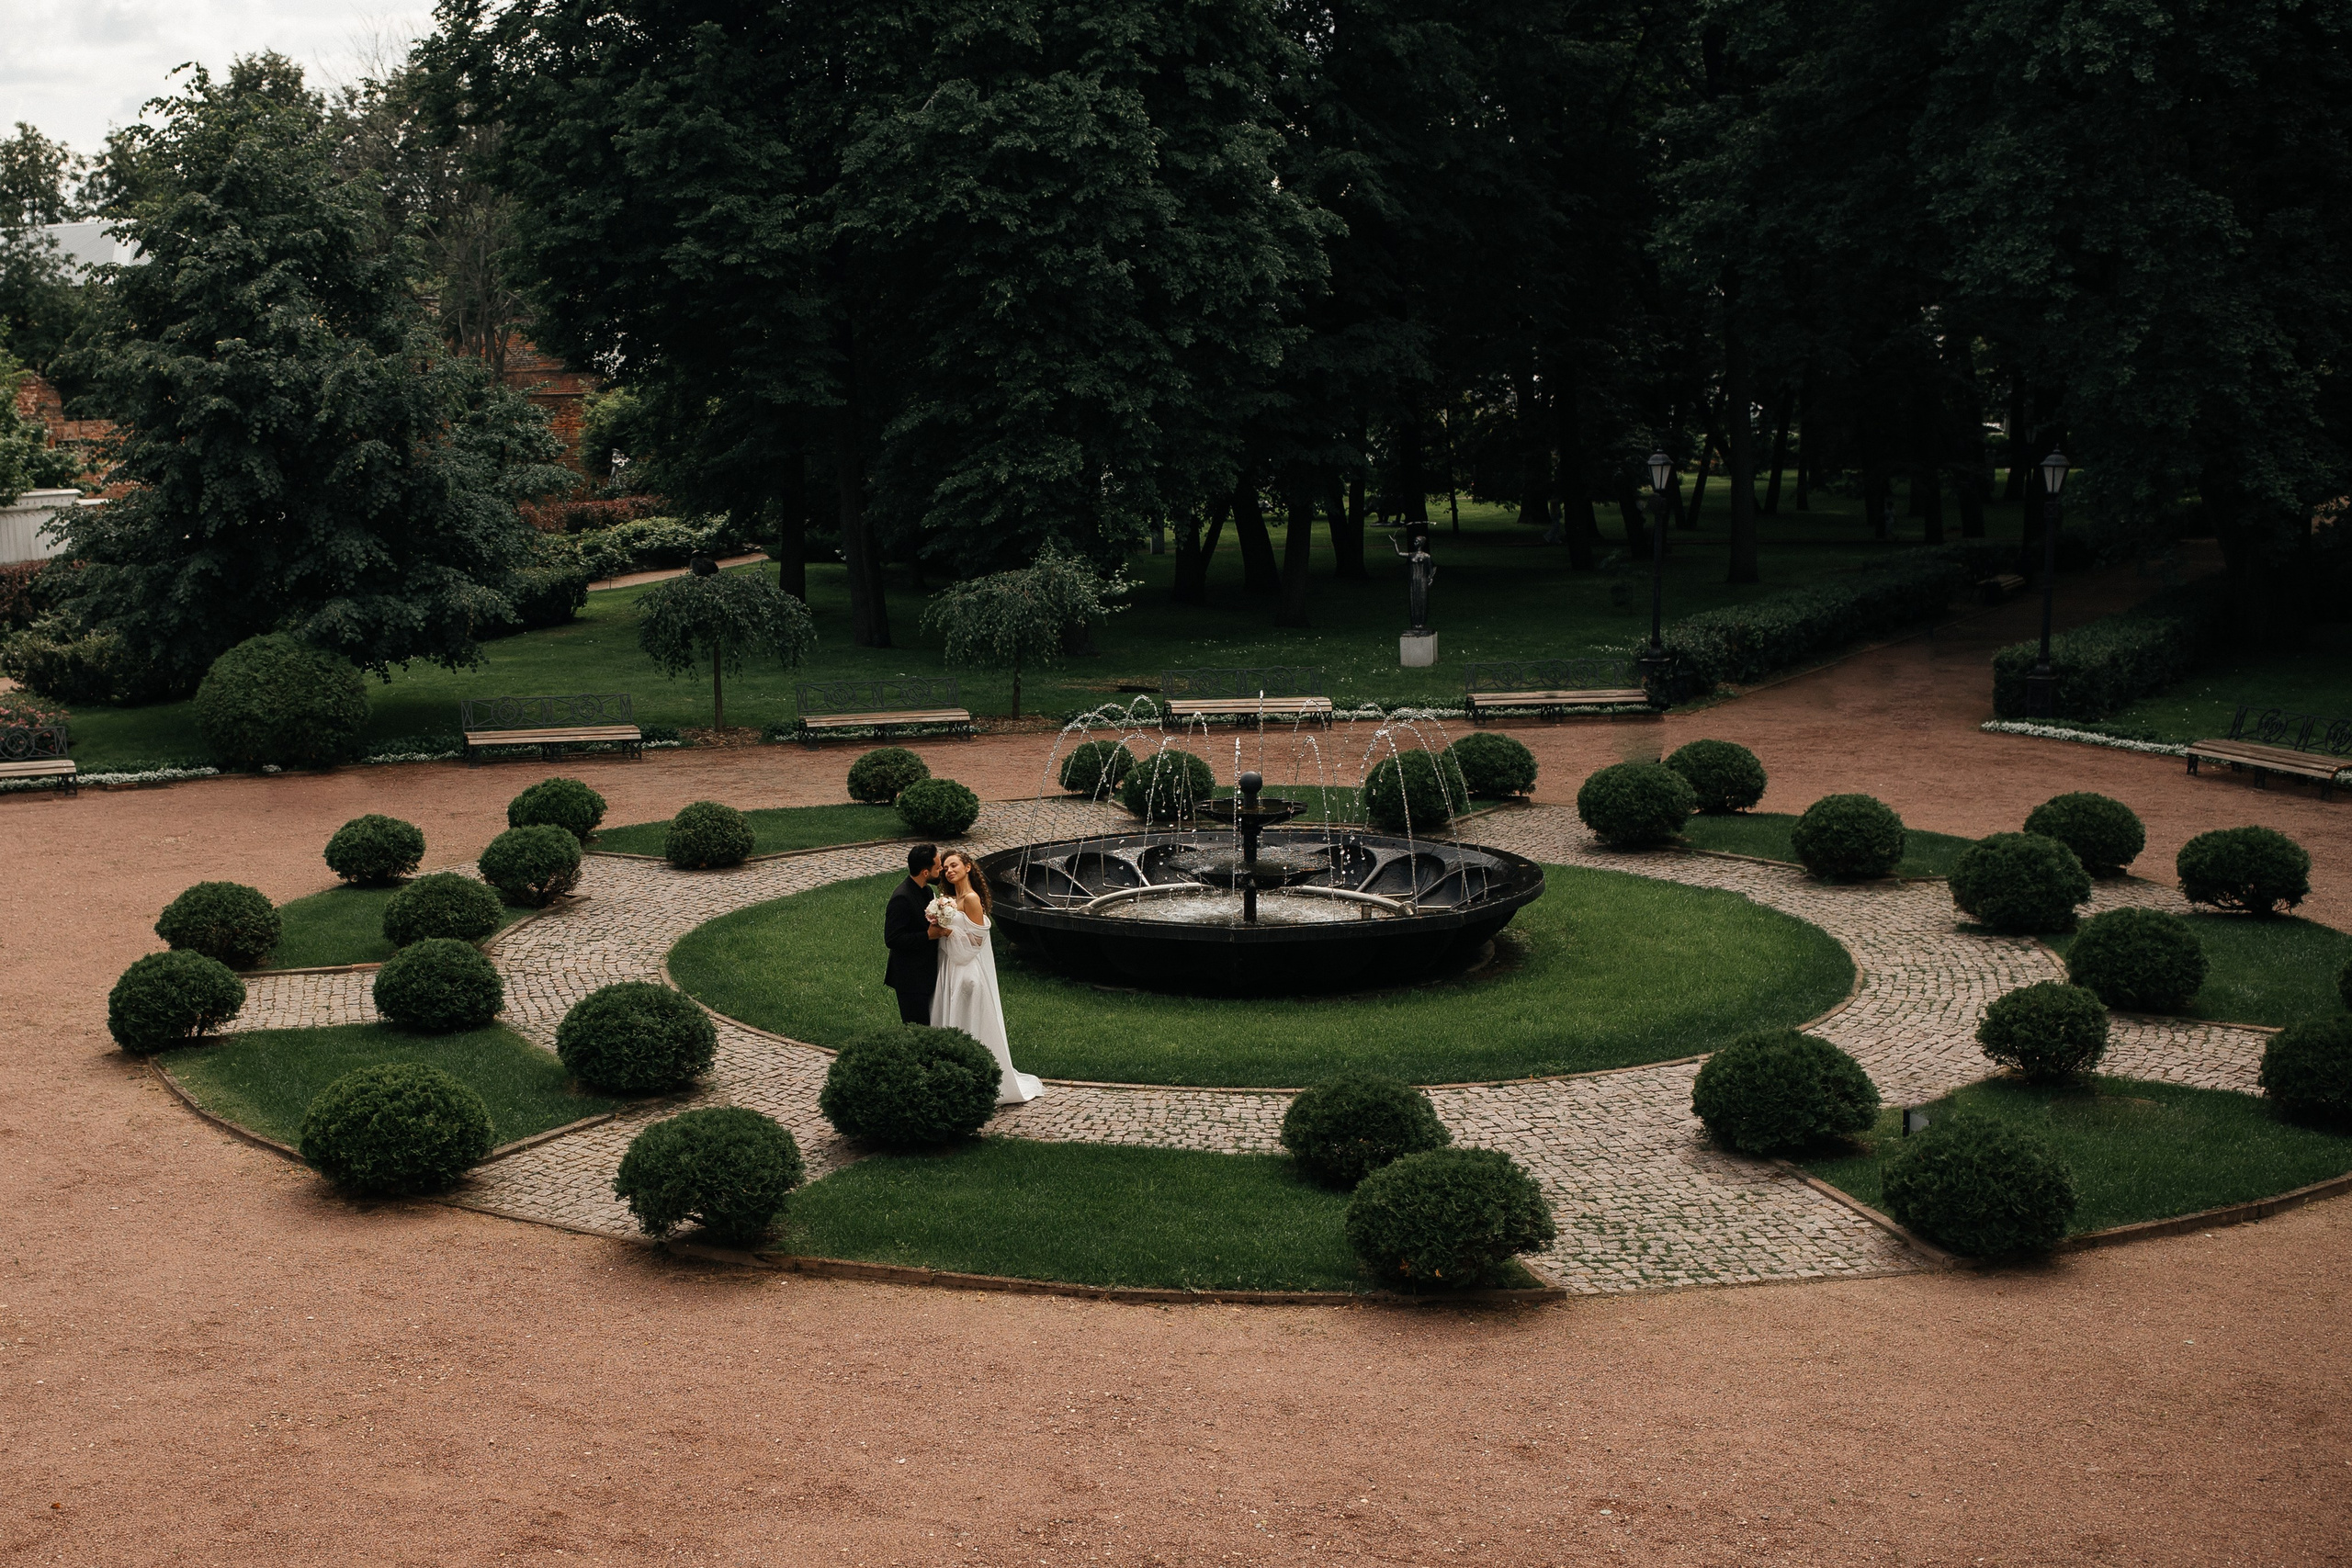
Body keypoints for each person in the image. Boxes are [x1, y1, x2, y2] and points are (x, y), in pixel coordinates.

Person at [929, 850, 1043, 1104]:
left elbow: (976, 942)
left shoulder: (971, 899)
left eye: (954, 865)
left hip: (967, 969)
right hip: (949, 967)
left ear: (968, 867)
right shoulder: (948, 899)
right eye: (945, 868)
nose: (949, 871)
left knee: (968, 1019)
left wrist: (948, 933)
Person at [883, 843, 944, 1024]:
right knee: (917, 1026)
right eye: (938, 867)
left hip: (925, 972)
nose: (941, 870)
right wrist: (927, 935)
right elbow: (893, 939)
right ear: (925, 872)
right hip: (910, 978)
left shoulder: (927, 891)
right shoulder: (902, 898)